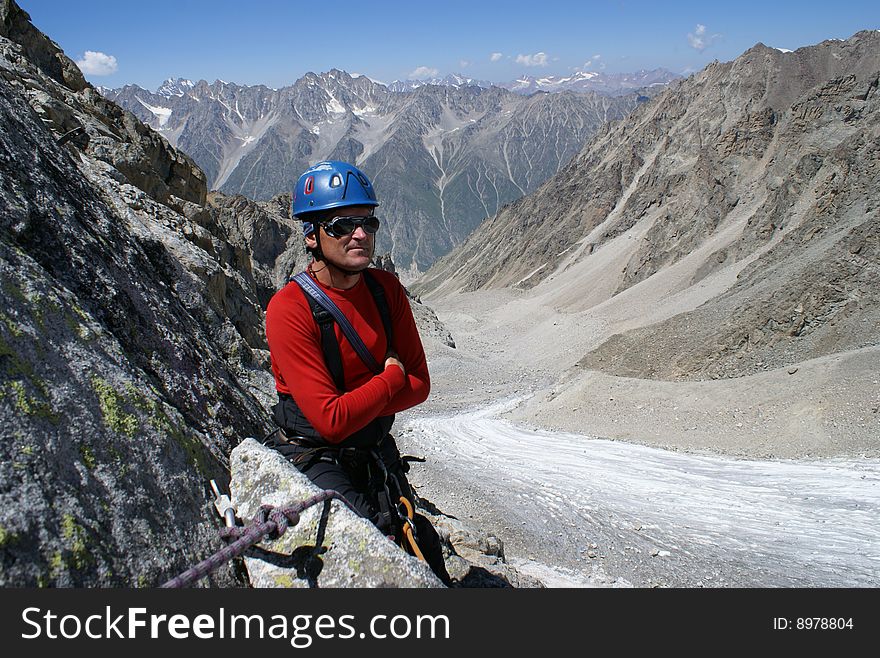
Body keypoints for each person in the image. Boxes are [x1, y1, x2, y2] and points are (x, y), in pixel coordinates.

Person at [264, 160, 450, 584]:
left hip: (371, 448)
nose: (361, 234)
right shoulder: (289, 310)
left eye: (368, 222)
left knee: (420, 545)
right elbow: (330, 422)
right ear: (311, 235)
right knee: (373, 552)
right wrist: (389, 379)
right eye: (342, 225)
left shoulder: (386, 290)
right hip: (316, 455)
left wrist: (364, 399)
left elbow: (420, 386)